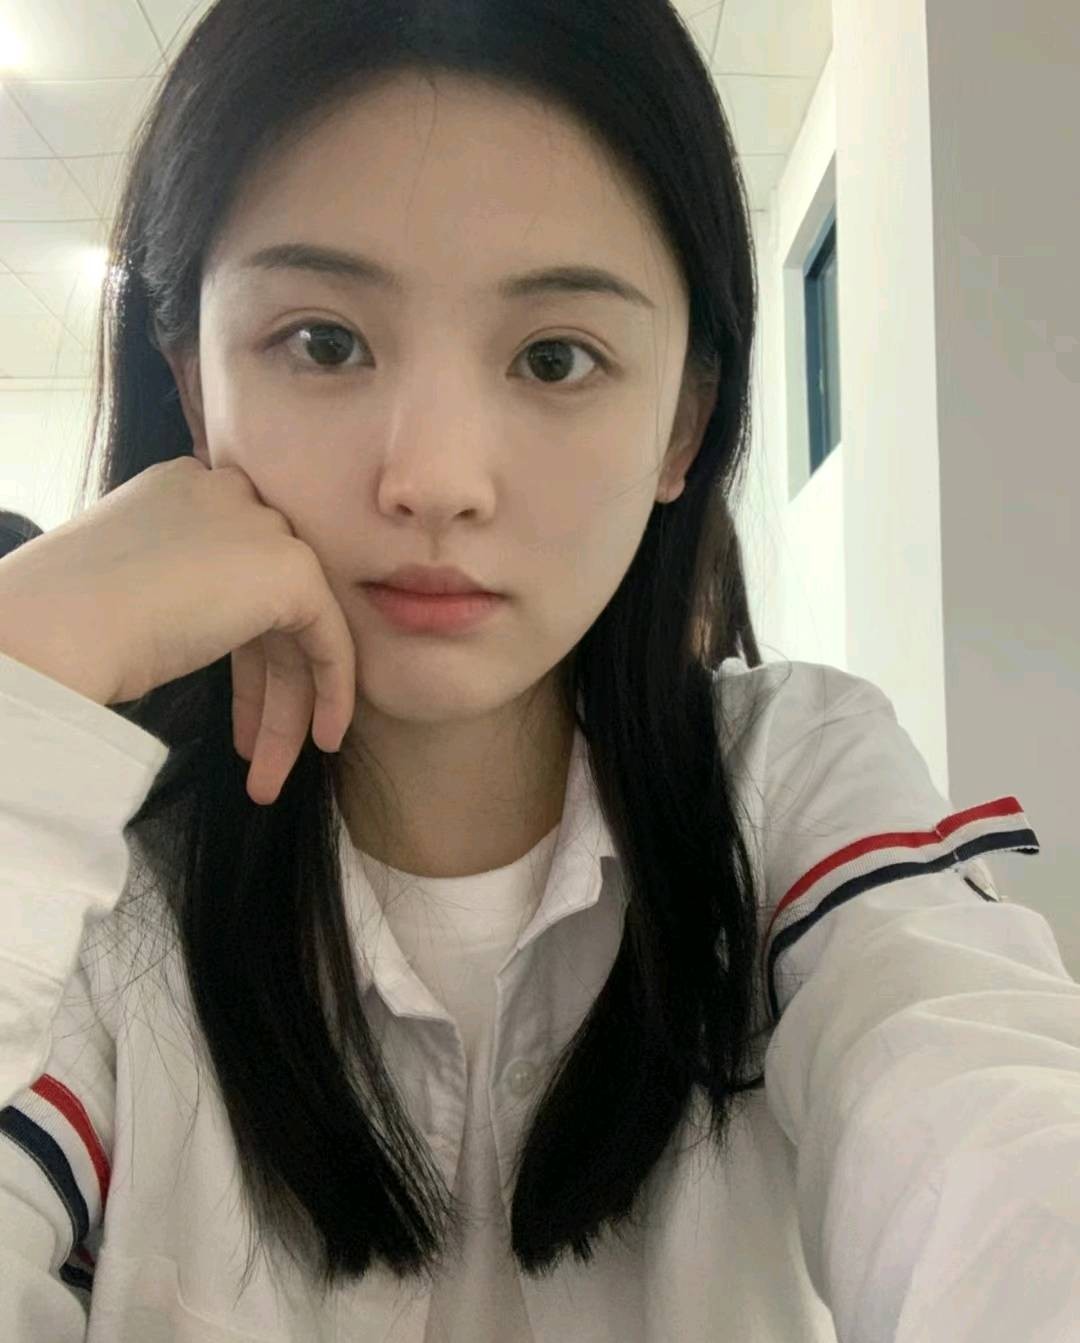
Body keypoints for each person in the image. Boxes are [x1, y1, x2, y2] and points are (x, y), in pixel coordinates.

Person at [0, 1, 1076, 1340]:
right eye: (324, 342)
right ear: (191, 382)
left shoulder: (796, 788)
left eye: (555, 358)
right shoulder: (81, 880)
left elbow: (995, 1142)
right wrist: (20, 664)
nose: (435, 480)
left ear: (684, 423)